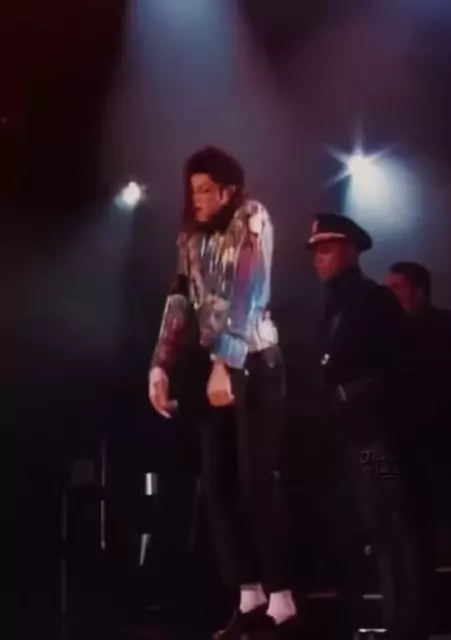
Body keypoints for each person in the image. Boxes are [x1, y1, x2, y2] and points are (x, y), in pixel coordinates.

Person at [148, 147, 297, 639]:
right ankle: (248, 595)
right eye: (193, 190)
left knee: (257, 482)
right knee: (216, 487)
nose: (197, 199)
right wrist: (160, 364)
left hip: (253, 360)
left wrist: (224, 364)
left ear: (228, 190)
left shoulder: (252, 218)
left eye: (206, 190)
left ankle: (283, 599)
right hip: (215, 365)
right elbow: (179, 298)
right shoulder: (191, 237)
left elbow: (248, 292)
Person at [306, 213, 429, 640]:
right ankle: (358, 619)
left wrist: (352, 393)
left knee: (392, 523)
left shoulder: (375, 300)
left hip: (375, 438)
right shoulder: (327, 306)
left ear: (352, 250)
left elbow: (401, 366)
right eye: (315, 251)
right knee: (351, 529)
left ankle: (405, 621)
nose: (318, 258)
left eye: (327, 249)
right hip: (340, 439)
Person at [386, 262, 451, 638]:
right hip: (401, 455)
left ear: (419, 290)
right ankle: (413, 619)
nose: (390, 295)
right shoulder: (385, 336)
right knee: (409, 534)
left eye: (397, 287)